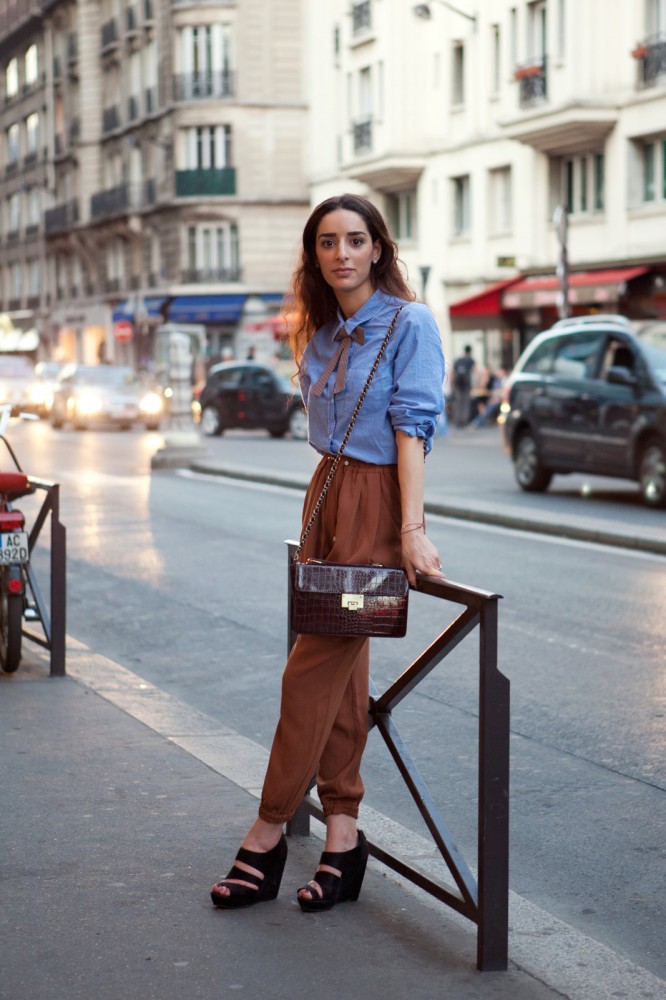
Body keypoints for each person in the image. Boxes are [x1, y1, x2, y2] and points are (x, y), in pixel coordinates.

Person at [210, 193, 445, 913]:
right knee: (343, 681)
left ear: (379, 248)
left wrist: (409, 529)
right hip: (324, 497)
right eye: (326, 242)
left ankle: (268, 830)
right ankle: (343, 838)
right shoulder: (320, 331)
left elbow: (412, 429)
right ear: (314, 256)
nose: (341, 253)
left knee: (306, 676)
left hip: (377, 501)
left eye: (355, 239)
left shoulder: (410, 324)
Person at [451, 344, 475, 427]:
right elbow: (475, 371)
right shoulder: (470, 360)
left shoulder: (458, 360)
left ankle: (457, 421)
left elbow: (453, 373)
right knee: (465, 404)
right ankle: (464, 421)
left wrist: (453, 385)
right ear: (470, 351)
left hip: (458, 385)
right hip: (466, 385)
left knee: (458, 403)